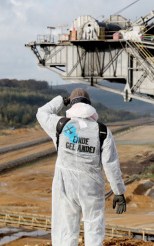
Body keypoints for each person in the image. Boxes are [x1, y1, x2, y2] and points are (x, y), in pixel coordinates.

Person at [36, 88, 127, 246]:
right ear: (89, 105)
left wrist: (61, 101)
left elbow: (41, 112)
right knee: (94, 227)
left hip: (64, 185)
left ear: (71, 105)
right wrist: (118, 191)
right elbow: (111, 164)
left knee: (66, 229)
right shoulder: (102, 131)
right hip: (91, 186)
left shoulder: (60, 125)